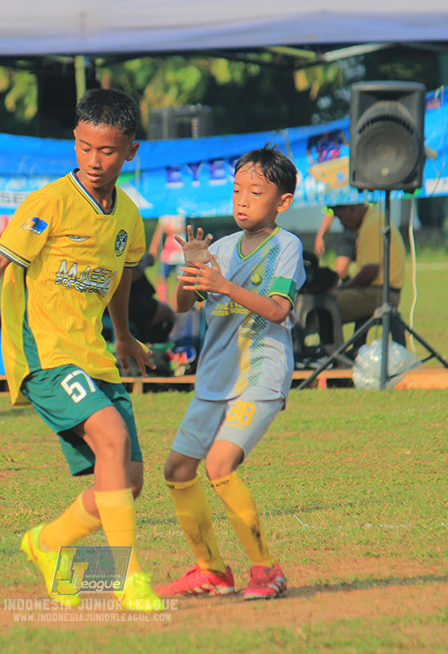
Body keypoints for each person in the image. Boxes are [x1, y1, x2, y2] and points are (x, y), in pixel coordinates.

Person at [0, 88, 163, 613]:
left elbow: (123, 279)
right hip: (46, 354)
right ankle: (128, 577)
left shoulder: (128, 215)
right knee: (108, 438)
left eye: (107, 150)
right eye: (85, 147)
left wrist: (123, 335)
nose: (94, 160)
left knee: (127, 482)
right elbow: (0, 259)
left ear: (131, 151)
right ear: (75, 141)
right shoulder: (50, 202)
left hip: (94, 355)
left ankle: (50, 544)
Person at [154, 147, 304, 600]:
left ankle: (266, 570)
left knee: (219, 465)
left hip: (260, 374)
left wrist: (221, 284)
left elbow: (278, 311)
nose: (243, 200)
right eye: (238, 190)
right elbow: (183, 307)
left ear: (282, 202)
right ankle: (212, 571)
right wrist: (191, 276)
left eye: (256, 192)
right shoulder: (218, 247)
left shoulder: (287, 246)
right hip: (215, 381)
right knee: (178, 469)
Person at [331, 202, 405, 333]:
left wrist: (344, 286)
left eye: (340, 217)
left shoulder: (372, 225)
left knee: (325, 305)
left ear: (351, 209)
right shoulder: (373, 218)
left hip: (380, 294)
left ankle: (330, 351)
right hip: (383, 292)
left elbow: (370, 272)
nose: (342, 223)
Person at [148, 214, 187, 304]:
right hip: (168, 252)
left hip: (181, 252)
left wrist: (167, 229)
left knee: (182, 279)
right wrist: (153, 248)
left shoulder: (182, 211)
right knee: (162, 276)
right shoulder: (164, 213)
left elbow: (183, 228)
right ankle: (164, 301)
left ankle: (180, 302)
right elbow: (159, 230)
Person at [313, 207, 356, 280]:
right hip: (349, 231)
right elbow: (330, 212)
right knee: (340, 271)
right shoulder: (336, 197)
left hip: (365, 229)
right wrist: (320, 236)